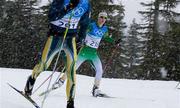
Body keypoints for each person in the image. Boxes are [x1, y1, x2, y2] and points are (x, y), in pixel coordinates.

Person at [23, 0, 91, 108]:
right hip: (55, 37)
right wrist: (69, 7)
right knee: (44, 65)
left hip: (70, 39)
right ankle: (32, 78)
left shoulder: (86, 3)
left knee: (71, 71)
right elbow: (52, 16)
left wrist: (81, 39)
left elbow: (85, 23)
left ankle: (70, 103)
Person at [53, 11, 120, 97]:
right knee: (73, 67)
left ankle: (95, 89)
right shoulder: (92, 25)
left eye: (105, 18)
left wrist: (115, 42)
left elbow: (105, 37)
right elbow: (83, 32)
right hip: (84, 51)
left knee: (100, 70)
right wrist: (81, 39)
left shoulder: (105, 29)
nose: (103, 19)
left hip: (93, 53)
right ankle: (61, 81)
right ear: (98, 17)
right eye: (101, 17)